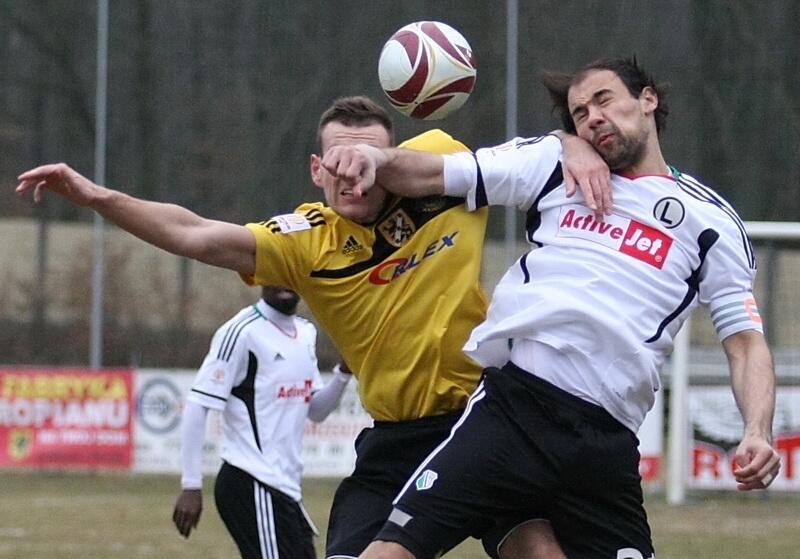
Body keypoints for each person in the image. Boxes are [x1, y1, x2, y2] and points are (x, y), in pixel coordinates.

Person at [15, 96, 610, 559]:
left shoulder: (443, 172)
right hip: (397, 437)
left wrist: (570, 142)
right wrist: (97, 197)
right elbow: (193, 232)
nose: (353, 177)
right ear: (315, 169)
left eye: (366, 161)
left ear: (393, 158)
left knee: (536, 547)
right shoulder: (305, 241)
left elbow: (528, 160)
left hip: (482, 421)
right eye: (338, 164)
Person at [320, 59, 782, 559]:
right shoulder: (551, 165)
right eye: (580, 113)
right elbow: (436, 172)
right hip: (515, 411)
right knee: (393, 550)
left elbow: (744, 343)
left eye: (604, 100)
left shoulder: (709, 219)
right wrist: (379, 162)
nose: (592, 118)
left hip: (606, 441)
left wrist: (756, 430)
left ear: (648, 99)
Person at [172, 284, 352, 558]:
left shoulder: (306, 332)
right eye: (274, 271)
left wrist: (343, 373)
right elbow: (198, 405)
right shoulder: (241, 332)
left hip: (286, 488)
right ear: (259, 277)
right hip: (251, 480)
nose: (283, 281)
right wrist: (191, 485)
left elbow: (315, 411)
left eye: (288, 272)